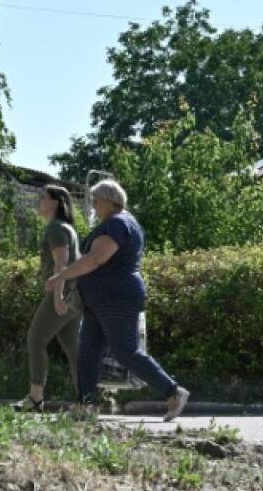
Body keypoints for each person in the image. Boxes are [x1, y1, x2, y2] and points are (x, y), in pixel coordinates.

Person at [44, 179, 189, 421]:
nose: (94, 207)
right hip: (100, 300)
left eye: (97, 201)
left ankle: (173, 391)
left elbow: (96, 258)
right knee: (88, 351)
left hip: (115, 297)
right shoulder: (117, 222)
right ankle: (85, 404)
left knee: (125, 350)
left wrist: (61, 276)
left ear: (112, 201)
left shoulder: (118, 223)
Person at [15, 184, 83, 412]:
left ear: (55, 203)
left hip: (63, 293)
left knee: (36, 339)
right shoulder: (67, 228)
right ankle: (86, 400)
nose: (38, 201)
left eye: (42, 197)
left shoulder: (55, 228)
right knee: (74, 350)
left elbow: (61, 262)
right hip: (76, 295)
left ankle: (35, 399)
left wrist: (57, 294)